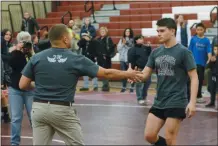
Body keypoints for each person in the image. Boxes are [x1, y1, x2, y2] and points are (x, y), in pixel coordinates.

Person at [19, 24, 141, 145]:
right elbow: (106, 73)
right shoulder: (75, 59)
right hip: (61, 110)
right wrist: (127, 74)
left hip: (39, 109)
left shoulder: (37, 58)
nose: (71, 39)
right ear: (65, 39)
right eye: (70, 36)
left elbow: (23, 85)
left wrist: (41, 85)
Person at [129, 18, 198, 145]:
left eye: (162, 31)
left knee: (170, 139)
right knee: (149, 135)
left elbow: (194, 77)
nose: (158, 34)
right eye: (157, 31)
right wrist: (133, 75)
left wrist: (192, 102)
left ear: (172, 31)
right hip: (159, 100)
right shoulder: (156, 52)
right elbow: (144, 75)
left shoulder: (184, 52)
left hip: (176, 100)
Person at [8, 31, 35, 145]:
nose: (25, 43)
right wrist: (17, 51)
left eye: (27, 41)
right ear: (18, 41)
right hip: (15, 90)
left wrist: (30, 52)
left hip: (29, 90)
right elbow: (13, 65)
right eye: (23, 41)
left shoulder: (31, 53)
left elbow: (34, 67)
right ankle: (14, 143)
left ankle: (39, 141)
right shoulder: (14, 53)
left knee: (34, 118)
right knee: (16, 119)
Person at [188, 23, 212, 103]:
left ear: (204, 30)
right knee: (193, 80)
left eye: (201, 29)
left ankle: (198, 96)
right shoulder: (193, 39)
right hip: (193, 64)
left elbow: (209, 50)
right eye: (197, 29)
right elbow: (189, 50)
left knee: (200, 80)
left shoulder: (206, 40)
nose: (199, 31)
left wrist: (209, 58)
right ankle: (192, 96)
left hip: (202, 64)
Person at [128, 35, 151, 105]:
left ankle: (144, 97)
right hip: (138, 69)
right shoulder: (132, 49)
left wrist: (149, 47)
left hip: (147, 69)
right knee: (139, 85)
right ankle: (139, 98)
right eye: (140, 39)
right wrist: (132, 68)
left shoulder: (145, 47)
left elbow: (149, 54)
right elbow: (131, 60)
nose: (142, 40)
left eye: (142, 39)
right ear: (136, 40)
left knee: (147, 84)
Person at [96, 27, 116, 92]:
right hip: (99, 59)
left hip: (106, 59)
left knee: (106, 73)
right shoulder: (98, 39)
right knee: (102, 73)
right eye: (101, 31)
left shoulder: (108, 39)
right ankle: (105, 86)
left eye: (103, 31)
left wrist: (106, 55)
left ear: (106, 32)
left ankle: (105, 86)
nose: (102, 32)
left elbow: (112, 48)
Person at [117, 28, 135, 92]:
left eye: (128, 31)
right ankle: (124, 87)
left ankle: (132, 87)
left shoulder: (133, 40)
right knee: (123, 74)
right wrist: (123, 44)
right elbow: (118, 49)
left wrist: (126, 44)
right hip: (122, 59)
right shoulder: (121, 39)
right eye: (126, 31)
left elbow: (132, 48)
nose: (127, 32)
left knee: (131, 74)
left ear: (130, 32)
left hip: (130, 59)